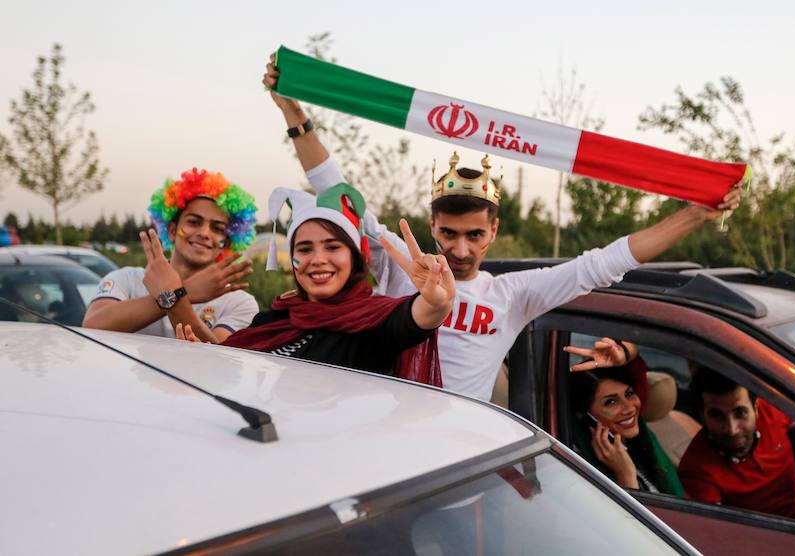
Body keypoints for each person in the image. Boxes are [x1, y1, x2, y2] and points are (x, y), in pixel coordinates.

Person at [262, 57, 743, 401]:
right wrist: (296, 117)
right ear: (432, 225)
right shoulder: (399, 261)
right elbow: (339, 191)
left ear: (493, 231)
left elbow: (606, 263)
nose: (459, 248)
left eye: (474, 235)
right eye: (449, 233)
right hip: (376, 438)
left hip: (457, 457)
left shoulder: (512, 295)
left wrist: (694, 215)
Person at [180, 182, 454, 380]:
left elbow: (415, 318)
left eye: (333, 247)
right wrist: (205, 364)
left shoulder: (374, 322)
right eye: (305, 249)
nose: (318, 259)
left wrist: (436, 302)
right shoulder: (270, 321)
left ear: (355, 257)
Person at [83, 168, 258, 342]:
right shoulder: (127, 279)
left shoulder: (240, 303)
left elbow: (218, 360)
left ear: (226, 243)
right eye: (194, 222)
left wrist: (175, 295)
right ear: (172, 231)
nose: (204, 233)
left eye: (217, 228)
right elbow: (92, 327)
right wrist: (185, 292)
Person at [677, 368, 795, 521]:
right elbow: (714, 529)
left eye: (740, 413)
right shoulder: (697, 470)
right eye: (717, 415)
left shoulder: (770, 413)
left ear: (756, 409)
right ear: (702, 415)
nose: (732, 429)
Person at [567, 340, 685, 495]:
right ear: (585, 416)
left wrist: (623, 351)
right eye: (611, 402)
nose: (629, 408)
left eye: (629, 394)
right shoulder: (582, 470)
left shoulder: (639, 436)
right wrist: (625, 474)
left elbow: (635, 350)